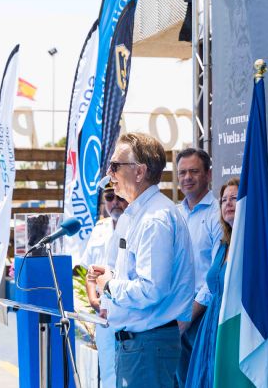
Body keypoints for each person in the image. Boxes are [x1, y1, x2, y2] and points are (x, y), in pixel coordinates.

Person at [89, 132, 195, 388]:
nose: (110, 173)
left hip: (147, 345)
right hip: (139, 344)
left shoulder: (154, 219)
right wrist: (111, 279)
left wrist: (110, 285)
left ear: (139, 171)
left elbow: (152, 288)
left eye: (115, 166)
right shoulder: (139, 214)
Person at [174, 148, 223, 388]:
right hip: (174, 312)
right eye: (182, 172)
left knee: (201, 381)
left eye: (194, 171)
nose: (187, 178)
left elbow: (215, 274)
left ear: (209, 174)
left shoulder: (218, 215)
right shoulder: (173, 214)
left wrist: (188, 315)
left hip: (204, 314)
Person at [185, 177, 239, 388]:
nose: (228, 203)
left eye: (234, 198)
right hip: (210, 328)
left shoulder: (259, 243)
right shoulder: (224, 244)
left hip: (235, 327)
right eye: (224, 199)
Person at [80, 183, 128, 388]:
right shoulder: (99, 230)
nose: (115, 202)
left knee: (129, 372)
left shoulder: (137, 225)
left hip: (129, 309)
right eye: (109, 198)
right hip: (103, 313)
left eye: (119, 197)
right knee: (107, 371)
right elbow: (88, 272)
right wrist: (93, 300)